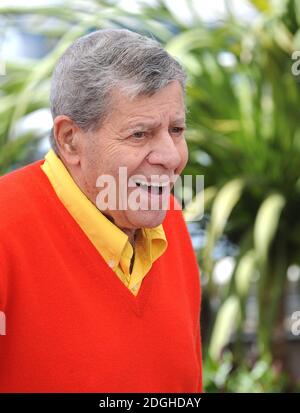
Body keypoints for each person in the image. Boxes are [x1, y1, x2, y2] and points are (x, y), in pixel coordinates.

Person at [0, 29, 202, 392]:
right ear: (70, 139)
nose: (172, 157)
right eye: (140, 134)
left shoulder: (169, 219)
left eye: (176, 129)